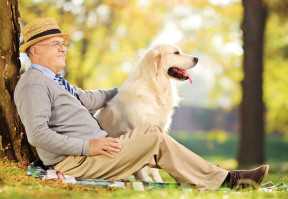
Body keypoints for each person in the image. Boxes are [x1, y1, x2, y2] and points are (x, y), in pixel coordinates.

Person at [14, 17, 269, 190]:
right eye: (55, 44)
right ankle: (227, 180)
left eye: (63, 43)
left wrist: (136, 86)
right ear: (34, 51)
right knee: (156, 140)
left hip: (99, 149)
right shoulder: (34, 83)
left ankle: (199, 177)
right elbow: (38, 135)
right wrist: (88, 146)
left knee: (151, 131)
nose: (63, 49)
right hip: (78, 160)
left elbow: (88, 99)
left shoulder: (56, 81)